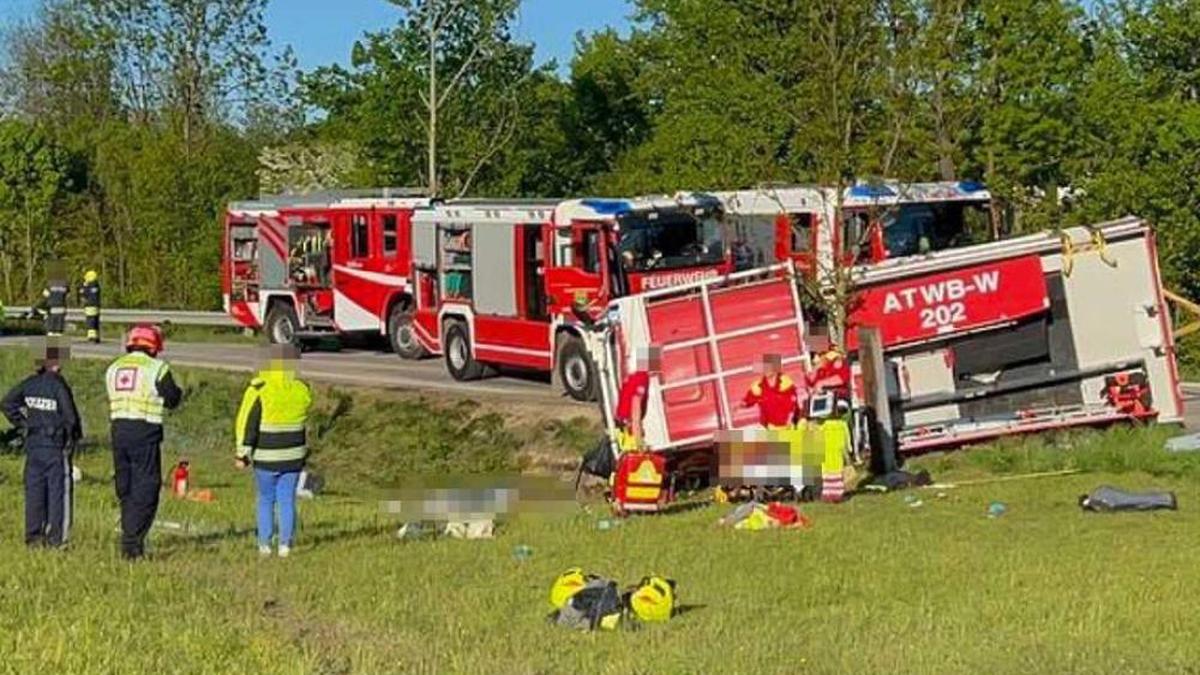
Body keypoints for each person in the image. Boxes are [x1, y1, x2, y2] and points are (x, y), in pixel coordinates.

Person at [105, 324, 183, 560]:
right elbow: (171, 398)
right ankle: (132, 542)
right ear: (154, 346)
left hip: (118, 430)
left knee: (125, 486)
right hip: (145, 431)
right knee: (147, 488)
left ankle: (129, 534)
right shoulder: (157, 368)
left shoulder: (113, 367)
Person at [235, 344, 312, 558]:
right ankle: (285, 546)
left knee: (266, 498)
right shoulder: (301, 389)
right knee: (287, 500)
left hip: (267, 455)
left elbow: (247, 422)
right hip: (294, 455)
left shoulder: (259, 388)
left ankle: (264, 544)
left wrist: (242, 453)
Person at [2, 340, 81, 548]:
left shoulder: (29, 383)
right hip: (55, 445)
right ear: (55, 362)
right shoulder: (58, 384)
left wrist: (23, 423)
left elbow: (7, 403)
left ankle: (33, 536)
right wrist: (74, 439)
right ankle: (57, 540)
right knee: (58, 493)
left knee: (34, 492)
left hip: (33, 444)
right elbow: (70, 417)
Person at [614, 346, 660, 452]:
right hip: (629, 431)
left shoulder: (634, 377)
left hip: (623, 428)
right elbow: (636, 414)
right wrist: (639, 443)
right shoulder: (641, 379)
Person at [743, 353, 803, 430]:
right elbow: (747, 402)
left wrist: (793, 421)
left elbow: (794, 405)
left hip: (789, 427)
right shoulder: (757, 387)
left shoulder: (786, 383)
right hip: (770, 429)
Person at [37, 267, 69, 337]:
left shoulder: (49, 285)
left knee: (51, 328)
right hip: (61, 308)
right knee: (59, 329)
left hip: (52, 308)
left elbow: (45, 296)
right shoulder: (65, 285)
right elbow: (67, 295)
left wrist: (39, 306)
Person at [79, 270, 101, 343]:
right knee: (95, 321)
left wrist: (84, 286)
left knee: (90, 321)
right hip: (96, 305)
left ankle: (91, 337)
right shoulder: (97, 285)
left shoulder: (87, 286)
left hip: (89, 305)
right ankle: (97, 336)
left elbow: (83, 294)